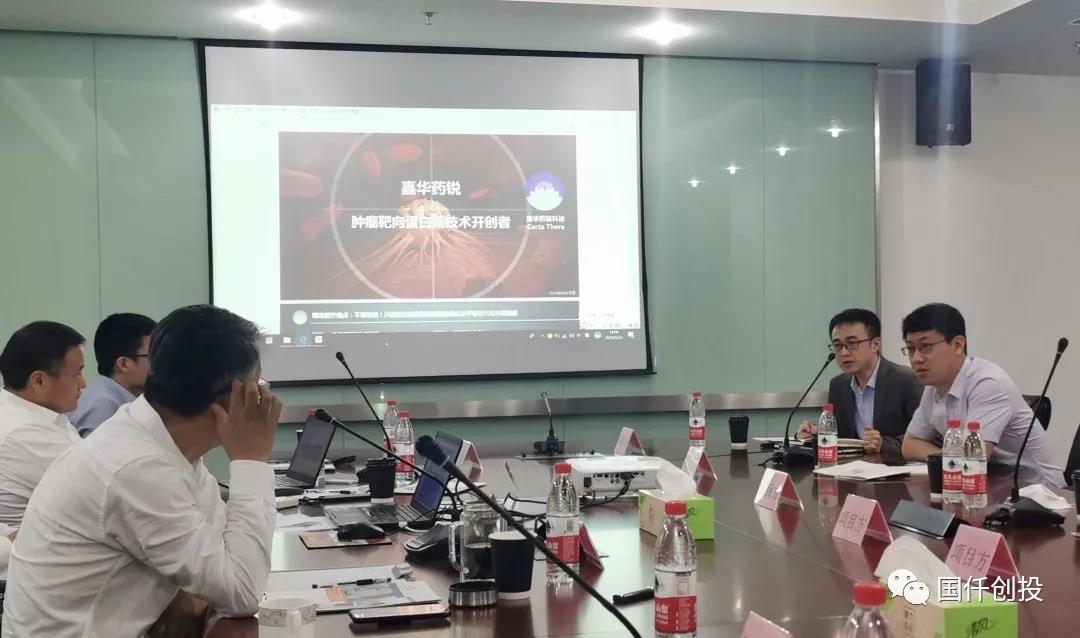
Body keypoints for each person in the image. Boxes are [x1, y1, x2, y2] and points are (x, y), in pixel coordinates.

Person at [3, 305, 281, 637]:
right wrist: (251, 459)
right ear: (230, 399)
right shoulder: (137, 465)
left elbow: (222, 549)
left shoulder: (151, 434)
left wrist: (203, 589)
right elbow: (241, 593)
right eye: (257, 386)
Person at [899, 303, 1063, 487]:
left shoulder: (988, 383)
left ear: (958, 345)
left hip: (1039, 492)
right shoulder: (934, 385)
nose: (916, 358)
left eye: (925, 346)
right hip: (987, 485)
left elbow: (972, 460)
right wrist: (947, 456)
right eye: (911, 349)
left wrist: (946, 457)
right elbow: (909, 444)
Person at [798, 309, 922, 456]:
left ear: (875, 344)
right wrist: (816, 432)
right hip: (852, 466)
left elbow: (924, 439)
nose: (844, 352)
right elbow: (840, 437)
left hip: (896, 467)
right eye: (837, 345)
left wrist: (883, 444)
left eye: (852, 343)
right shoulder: (838, 385)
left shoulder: (907, 380)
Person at [0, 321, 85, 528]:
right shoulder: (23, 431)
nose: (83, 384)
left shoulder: (40, 412)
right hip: (39, 544)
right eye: (77, 373)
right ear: (39, 381)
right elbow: (100, 489)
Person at [69, 313, 156, 436]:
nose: (163, 363)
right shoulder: (103, 403)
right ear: (124, 364)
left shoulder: (126, 399)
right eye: (155, 355)